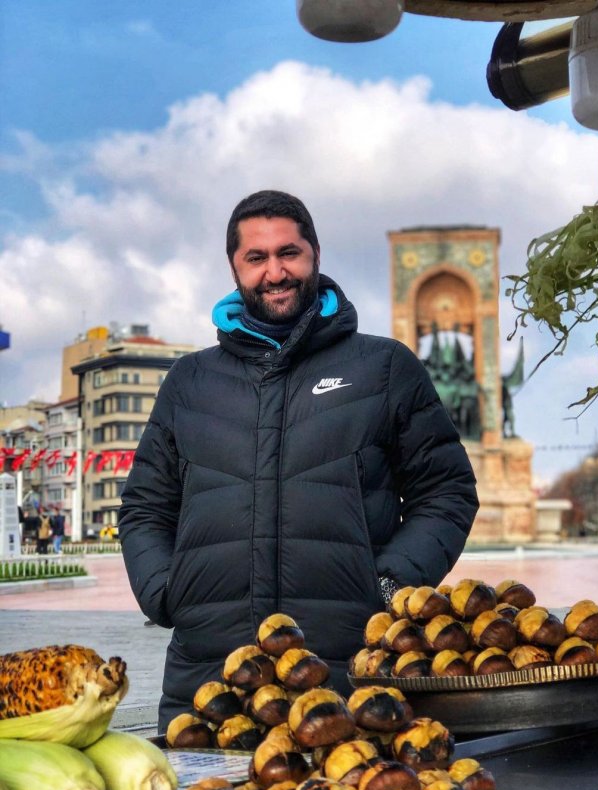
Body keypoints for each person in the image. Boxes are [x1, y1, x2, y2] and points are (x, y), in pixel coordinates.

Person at [119, 190, 479, 731]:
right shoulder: (189, 382)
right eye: (256, 258)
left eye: (289, 253)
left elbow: (447, 492)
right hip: (213, 683)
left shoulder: (383, 368)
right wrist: (166, 593)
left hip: (352, 677)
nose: (275, 272)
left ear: (314, 254)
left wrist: (386, 585)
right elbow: (145, 506)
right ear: (235, 267)